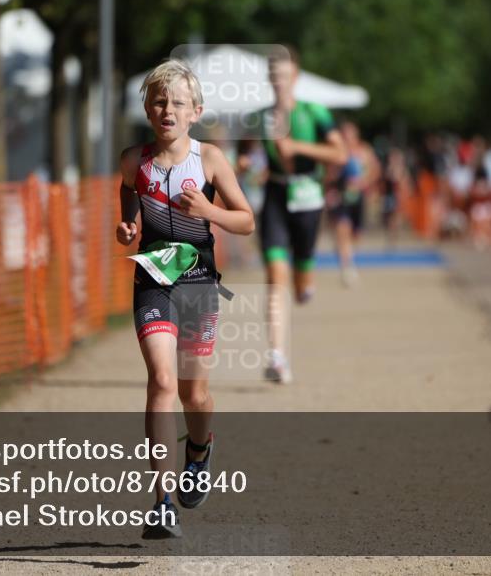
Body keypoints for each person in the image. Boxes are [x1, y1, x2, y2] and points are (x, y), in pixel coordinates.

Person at [117, 59, 255, 539]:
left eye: (177, 102)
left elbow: (245, 220)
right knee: (161, 380)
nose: (167, 110)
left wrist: (208, 209)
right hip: (152, 278)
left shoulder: (210, 159)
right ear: (147, 109)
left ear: (195, 111)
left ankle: (200, 447)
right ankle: (161, 502)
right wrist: (129, 223)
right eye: (159, 101)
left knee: (192, 392)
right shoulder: (134, 160)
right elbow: (127, 192)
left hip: (198, 280)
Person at [238, 46, 347, 383]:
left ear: (295, 77)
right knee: (275, 278)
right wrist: (243, 164)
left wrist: (298, 147)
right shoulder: (260, 117)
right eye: (274, 76)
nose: (279, 82)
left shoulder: (315, 113)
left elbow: (339, 154)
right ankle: (277, 357)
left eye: (285, 76)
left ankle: (306, 282)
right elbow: (244, 152)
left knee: (300, 287)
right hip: (275, 195)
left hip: (308, 196)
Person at [325, 120, 381, 286]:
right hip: (341, 198)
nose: (348, 138)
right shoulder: (335, 152)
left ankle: (348, 257)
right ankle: (347, 267)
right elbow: (327, 174)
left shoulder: (365, 151)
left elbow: (375, 170)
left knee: (356, 234)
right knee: (343, 229)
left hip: (359, 198)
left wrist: (365, 182)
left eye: (350, 134)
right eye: (345, 134)